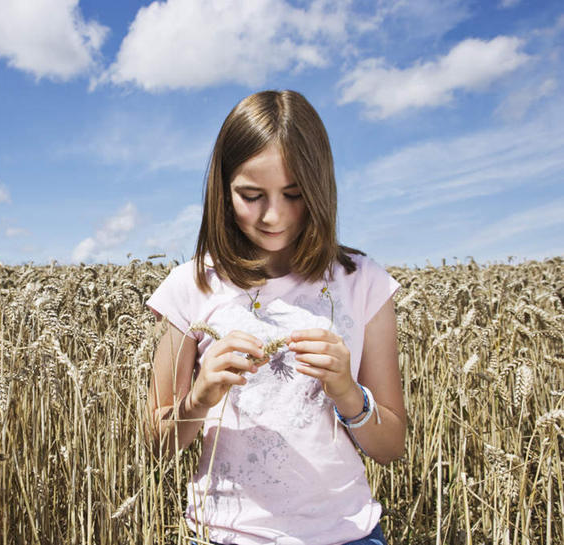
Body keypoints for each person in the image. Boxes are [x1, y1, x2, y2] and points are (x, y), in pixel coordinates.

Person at [145, 90, 406, 545]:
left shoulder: (362, 281)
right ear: (222, 191)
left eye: (294, 194)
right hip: (225, 535)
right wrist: (201, 397)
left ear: (320, 188)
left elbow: (391, 447)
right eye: (251, 195)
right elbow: (157, 442)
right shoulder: (191, 286)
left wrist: (347, 392)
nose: (273, 215)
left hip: (346, 535)